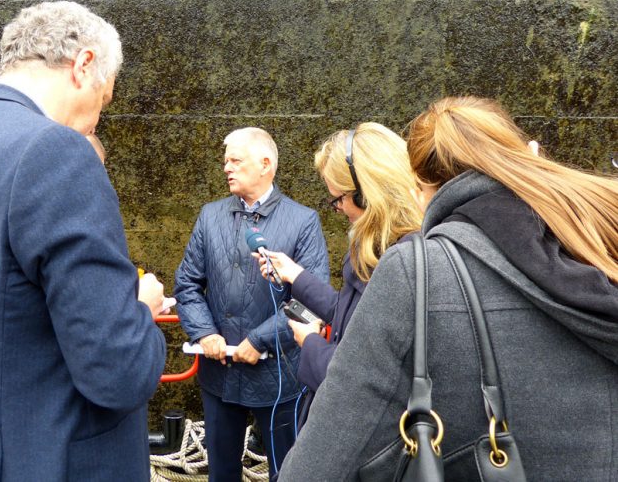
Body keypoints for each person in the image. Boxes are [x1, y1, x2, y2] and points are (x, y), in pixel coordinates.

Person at [277, 96, 618, 481]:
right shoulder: (600, 237)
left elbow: (321, 460)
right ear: (529, 153)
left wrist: (310, 343)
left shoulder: (416, 271)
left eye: (338, 199)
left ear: (422, 186)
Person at [0, 1, 168, 481]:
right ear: (84, 65)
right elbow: (117, 369)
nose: (95, 123)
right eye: (103, 102)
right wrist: (142, 309)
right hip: (42, 459)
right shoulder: (56, 151)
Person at [174, 127, 329, 481]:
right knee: (221, 473)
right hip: (220, 374)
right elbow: (187, 284)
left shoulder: (303, 221)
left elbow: (310, 302)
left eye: (235, 160)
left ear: (266, 164)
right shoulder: (210, 216)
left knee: (286, 471)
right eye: (225, 160)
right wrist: (204, 333)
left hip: (278, 378)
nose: (226, 167)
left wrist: (258, 340)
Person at [254, 123, 421, 430]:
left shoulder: (399, 263)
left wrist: (312, 342)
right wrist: (295, 274)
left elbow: (357, 379)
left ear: (367, 193)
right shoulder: (390, 249)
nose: (339, 209)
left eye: (339, 199)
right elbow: (348, 313)